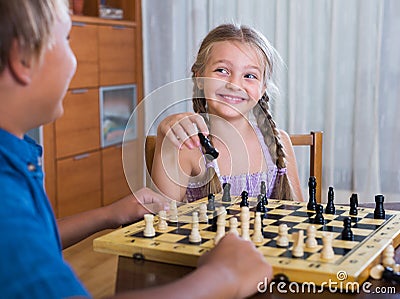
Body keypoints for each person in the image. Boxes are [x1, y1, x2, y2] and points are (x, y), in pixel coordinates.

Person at [0, 1, 271, 298]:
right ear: (21, 59)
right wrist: (224, 276)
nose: (75, 60)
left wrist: (107, 214)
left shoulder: (15, 160)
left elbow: (33, 238)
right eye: (67, 40)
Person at [152, 23, 303, 203]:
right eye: (222, 71)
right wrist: (163, 137)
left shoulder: (280, 143)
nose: (234, 84)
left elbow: (298, 215)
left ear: (263, 88)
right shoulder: (186, 146)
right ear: (200, 78)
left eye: (249, 76)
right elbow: (161, 218)